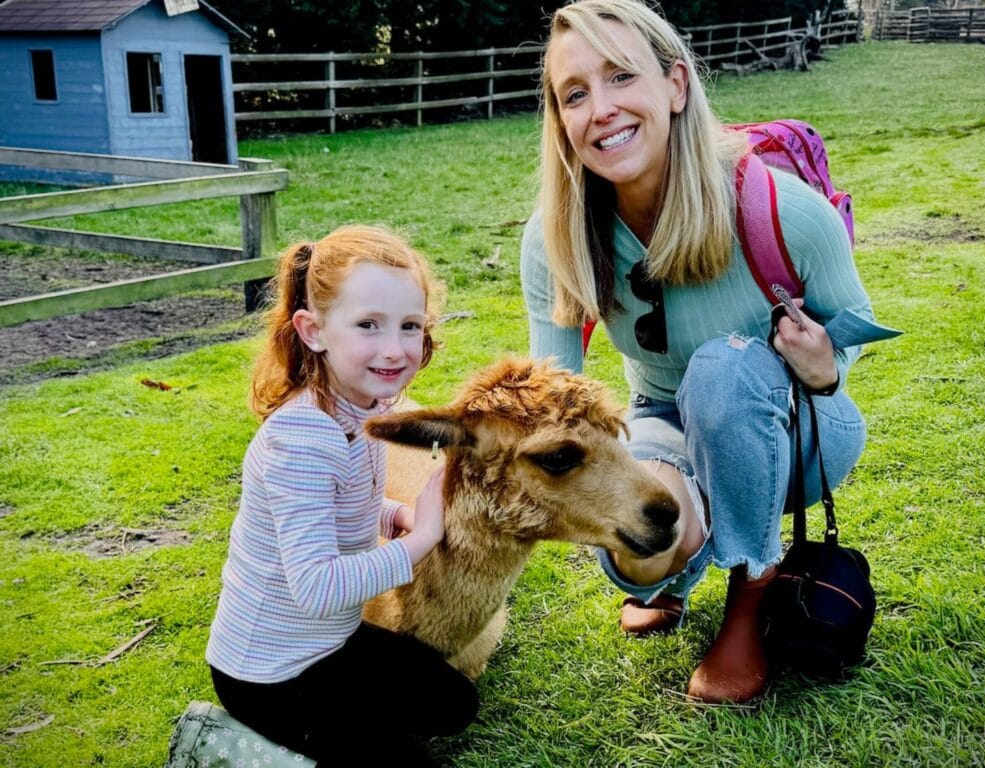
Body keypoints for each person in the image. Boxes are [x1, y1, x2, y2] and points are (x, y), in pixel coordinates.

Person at [521, 0, 876, 704]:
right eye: (576, 93)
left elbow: (855, 323)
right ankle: (677, 578)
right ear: (560, 119)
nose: (602, 109)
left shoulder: (782, 207)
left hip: (800, 422)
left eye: (622, 76)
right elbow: (554, 391)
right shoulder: (555, 237)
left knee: (724, 367)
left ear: (676, 86)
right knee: (644, 535)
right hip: (664, 410)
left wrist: (823, 365)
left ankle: (751, 592)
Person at [204, 225, 478, 766]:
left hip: (333, 642)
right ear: (313, 330)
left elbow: (341, 502)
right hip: (268, 672)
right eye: (368, 326)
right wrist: (420, 539)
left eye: (409, 326)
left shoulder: (365, 408)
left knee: (454, 706)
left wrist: (394, 513)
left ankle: (344, 727)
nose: (395, 349)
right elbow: (316, 587)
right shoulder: (303, 440)